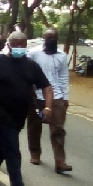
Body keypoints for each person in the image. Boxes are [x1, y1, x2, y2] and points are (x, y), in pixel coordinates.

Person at [0, 31, 53, 186]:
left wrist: (48, 107)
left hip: (20, 113)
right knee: (13, 148)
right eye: (16, 44)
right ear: (9, 44)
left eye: (23, 44)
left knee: (5, 145)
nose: (20, 47)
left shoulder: (31, 66)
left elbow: (46, 86)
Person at [26, 28, 71, 173]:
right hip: (37, 96)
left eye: (53, 38)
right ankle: (35, 154)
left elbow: (64, 77)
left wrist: (65, 97)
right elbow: (27, 72)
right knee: (34, 126)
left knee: (58, 129)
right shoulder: (33, 53)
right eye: (48, 37)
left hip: (57, 96)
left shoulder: (62, 56)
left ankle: (60, 161)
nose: (50, 40)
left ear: (57, 39)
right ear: (44, 38)